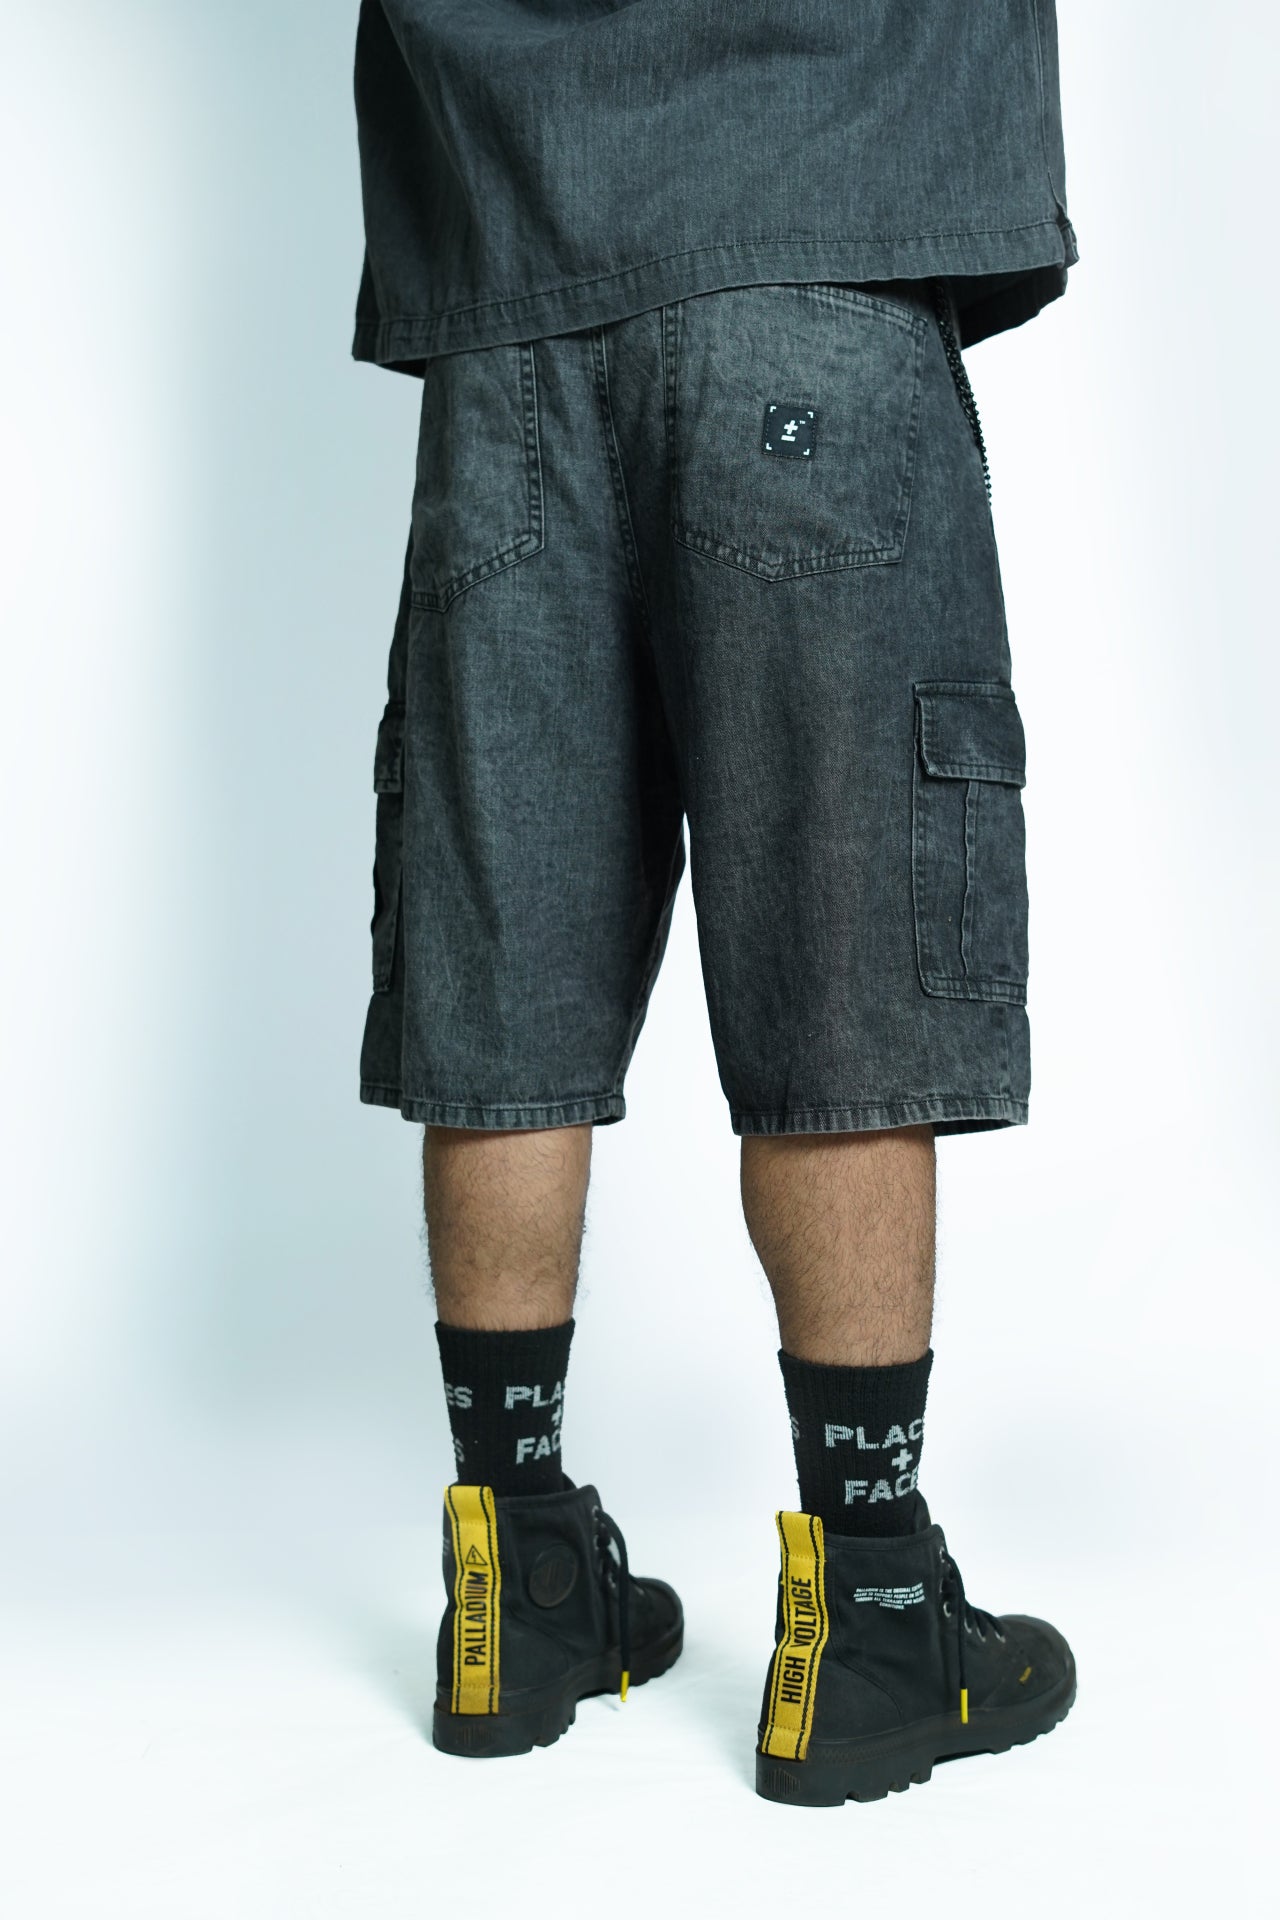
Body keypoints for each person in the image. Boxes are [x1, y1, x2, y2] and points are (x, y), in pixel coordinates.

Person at [351, 0, 1080, 1804]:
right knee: (845, 958)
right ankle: (878, 1611)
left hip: (514, 285)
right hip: (819, 223)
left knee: (506, 947)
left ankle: (517, 1582)